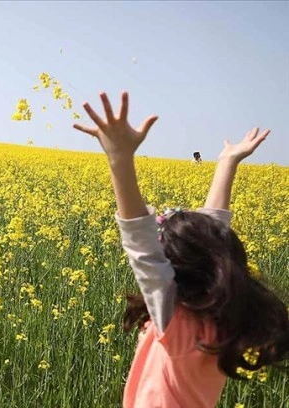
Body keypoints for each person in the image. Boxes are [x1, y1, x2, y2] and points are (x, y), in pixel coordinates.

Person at [73, 91, 288, 408]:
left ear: (177, 269)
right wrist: (227, 162)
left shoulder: (178, 322)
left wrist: (119, 157)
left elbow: (140, 246)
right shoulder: (221, 319)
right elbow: (213, 237)